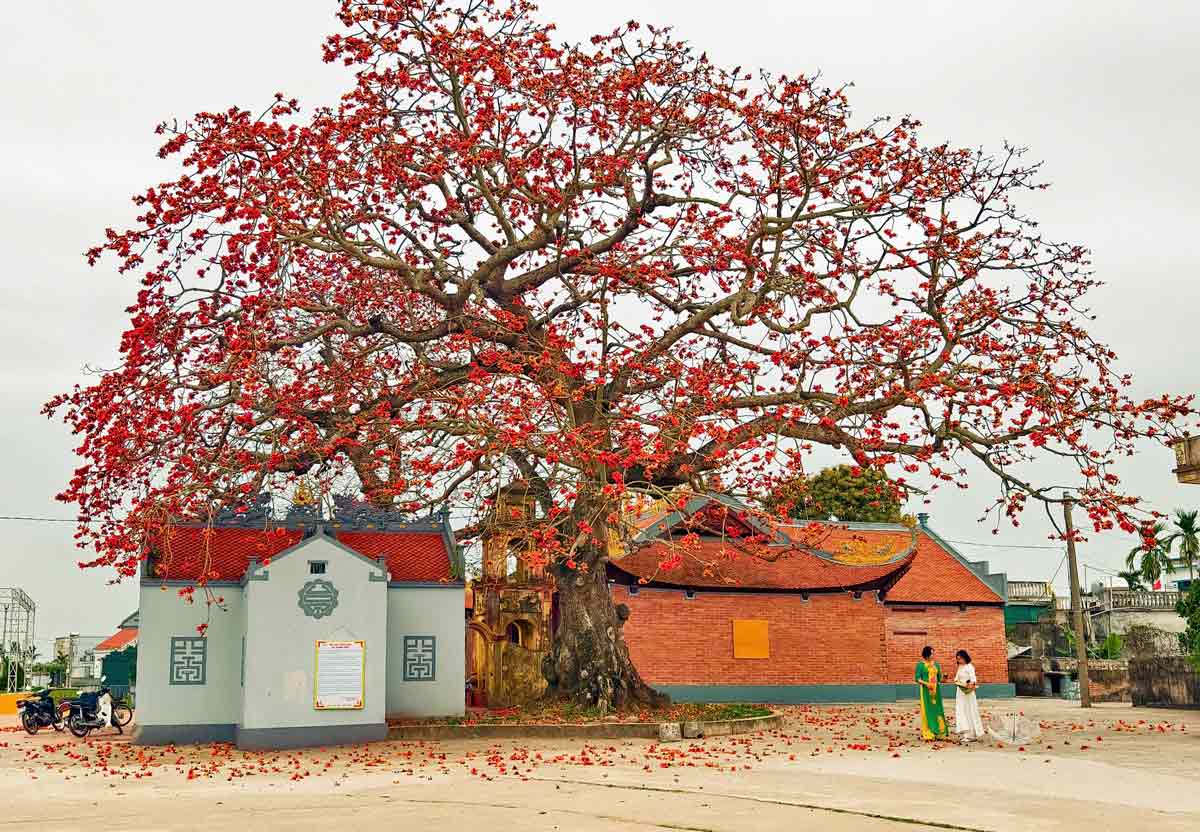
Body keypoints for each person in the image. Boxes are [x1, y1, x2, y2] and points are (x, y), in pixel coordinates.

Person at [915, 645, 948, 741]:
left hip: (936, 691)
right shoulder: (920, 665)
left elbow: (940, 679)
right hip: (925, 691)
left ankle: (939, 732)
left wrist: (945, 678)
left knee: (937, 709)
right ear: (926, 654)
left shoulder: (936, 665)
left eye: (933, 653)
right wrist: (927, 684)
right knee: (927, 710)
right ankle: (928, 733)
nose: (933, 655)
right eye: (931, 653)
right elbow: (917, 679)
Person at [953, 649, 985, 742]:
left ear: (965, 657)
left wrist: (969, 685)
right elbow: (956, 678)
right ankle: (965, 733)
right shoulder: (960, 667)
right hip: (960, 692)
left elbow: (973, 679)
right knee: (961, 711)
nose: (959, 660)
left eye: (961, 658)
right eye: (958, 659)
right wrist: (957, 682)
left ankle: (972, 734)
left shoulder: (969, 666)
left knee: (969, 710)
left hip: (968, 691)